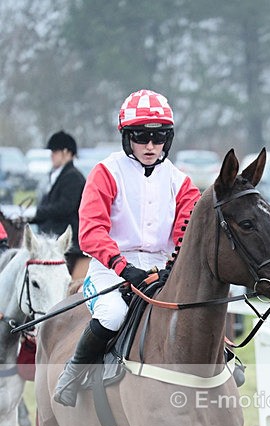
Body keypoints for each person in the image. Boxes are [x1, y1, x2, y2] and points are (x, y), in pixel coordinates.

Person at [52, 88, 203, 409]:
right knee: (113, 314)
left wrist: (172, 267)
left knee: (196, 311)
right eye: (140, 137)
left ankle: (226, 360)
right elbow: (91, 232)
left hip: (164, 270)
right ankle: (73, 373)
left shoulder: (182, 181)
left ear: (169, 138)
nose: (150, 146)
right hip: (110, 271)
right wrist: (125, 269)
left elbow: (185, 232)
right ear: (126, 137)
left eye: (159, 137)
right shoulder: (106, 172)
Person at [32, 131, 88, 279]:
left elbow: (64, 207)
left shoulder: (73, 177)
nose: (52, 155)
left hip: (68, 242)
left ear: (66, 153)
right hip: (54, 235)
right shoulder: (56, 175)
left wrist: (37, 214)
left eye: (55, 151)